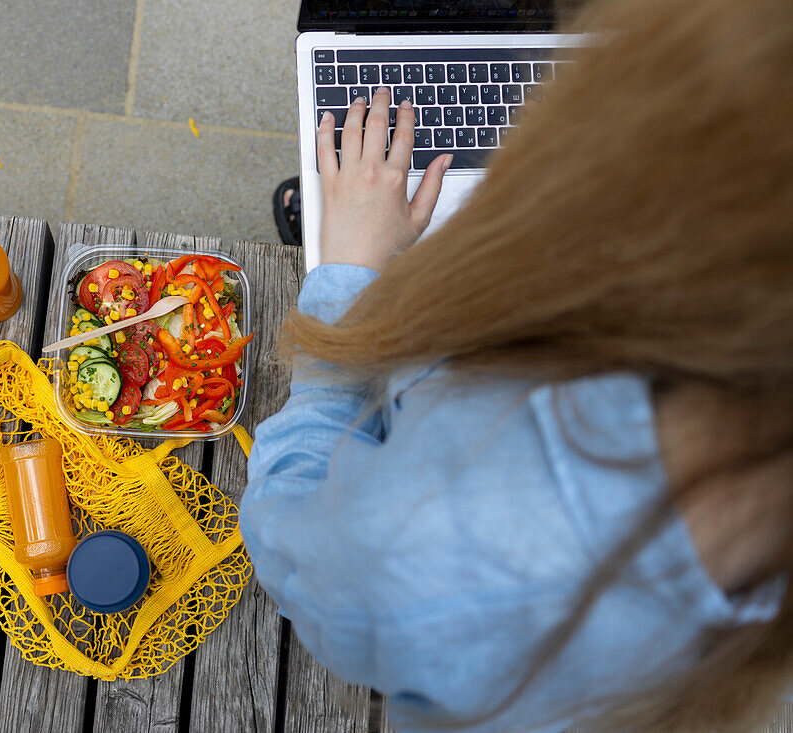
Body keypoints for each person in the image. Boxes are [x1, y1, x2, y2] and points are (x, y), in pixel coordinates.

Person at [242, 0, 793, 730]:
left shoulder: (459, 547)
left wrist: (346, 272)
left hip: (404, 548)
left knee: (350, 166)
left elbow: (289, 538)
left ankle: (327, 212)